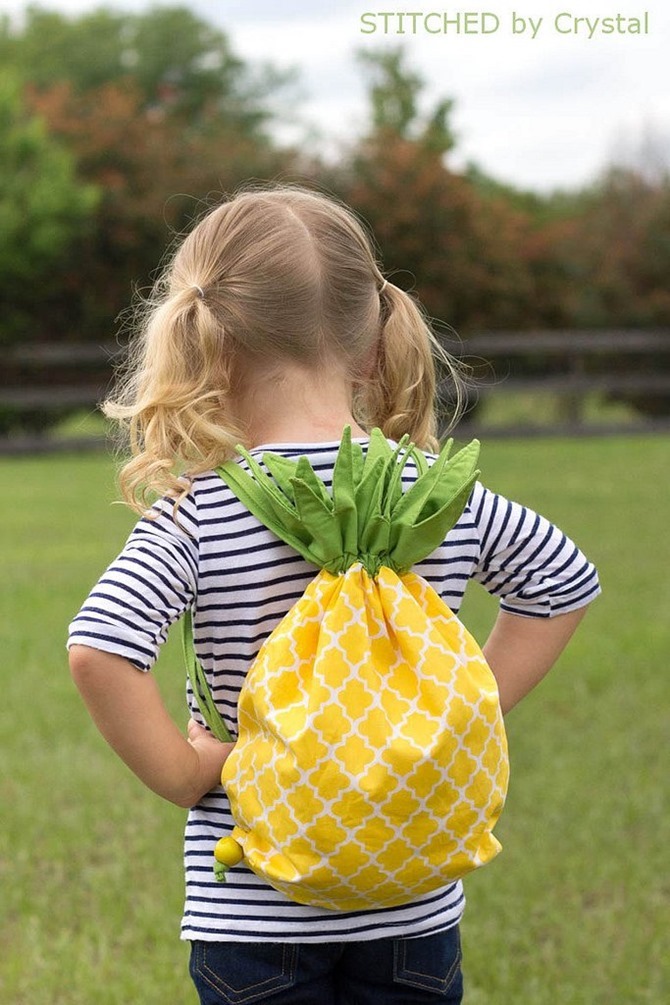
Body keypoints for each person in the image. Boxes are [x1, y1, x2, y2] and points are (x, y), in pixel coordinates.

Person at [68, 184, 600, 1005]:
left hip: (255, 907)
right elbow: (561, 582)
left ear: (206, 346)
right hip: (412, 895)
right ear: (370, 343)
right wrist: (463, 704)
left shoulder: (202, 511)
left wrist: (185, 774)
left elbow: (102, 647)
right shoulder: (435, 493)